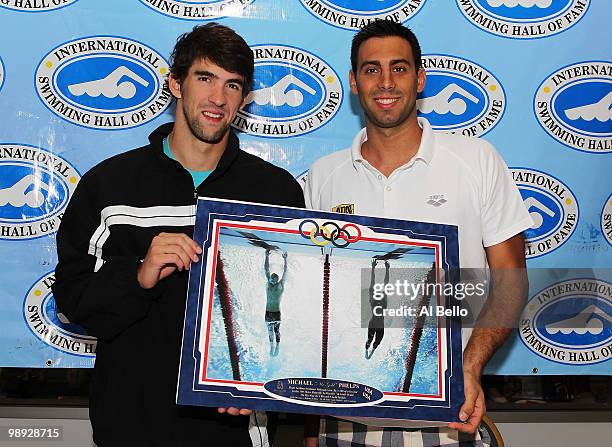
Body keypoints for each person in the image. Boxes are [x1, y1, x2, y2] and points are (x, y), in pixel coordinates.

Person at [52, 23, 304, 447]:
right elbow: (73, 301)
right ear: (175, 84)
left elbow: (297, 313)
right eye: (205, 78)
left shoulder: (275, 193)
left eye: (233, 85)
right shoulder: (109, 185)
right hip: (129, 427)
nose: (217, 99)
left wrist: (263, 382)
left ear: (244, 99)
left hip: (236, 430)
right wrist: (137, 274)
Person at [304, 20, 531, 447]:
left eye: (399, 68)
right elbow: (313, 300)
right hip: (343, 414)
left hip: (448, 415)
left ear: (420, 78)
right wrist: (309, 423)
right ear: (354, 82)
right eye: (371, 70)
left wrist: (469, 364)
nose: (385, 82)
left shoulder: (475, 160)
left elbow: (510, 279)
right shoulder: (323, 177)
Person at [264, 249, 288, 356]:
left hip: (276, 312)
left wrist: (285, 260)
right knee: (270, 330)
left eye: (274, 279)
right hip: (268, 312)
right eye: (271, 279)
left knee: (276, 330)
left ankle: (278, 346)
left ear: (277, 280)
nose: (272, 281)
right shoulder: (268, 285)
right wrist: (267, 256)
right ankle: (271, 346)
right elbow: (266, 270)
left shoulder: (280, 286)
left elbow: (285, 272)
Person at [365, 259, 389, 359]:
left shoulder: (383, 297)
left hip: (380, 325)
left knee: (377, 342)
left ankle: (372, 350)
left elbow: (386, 283)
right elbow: (372, 281)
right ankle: (366, 349)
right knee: (370, 340)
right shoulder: (372, 298)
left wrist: (387, 269)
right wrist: (373, 268)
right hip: (373, 324)